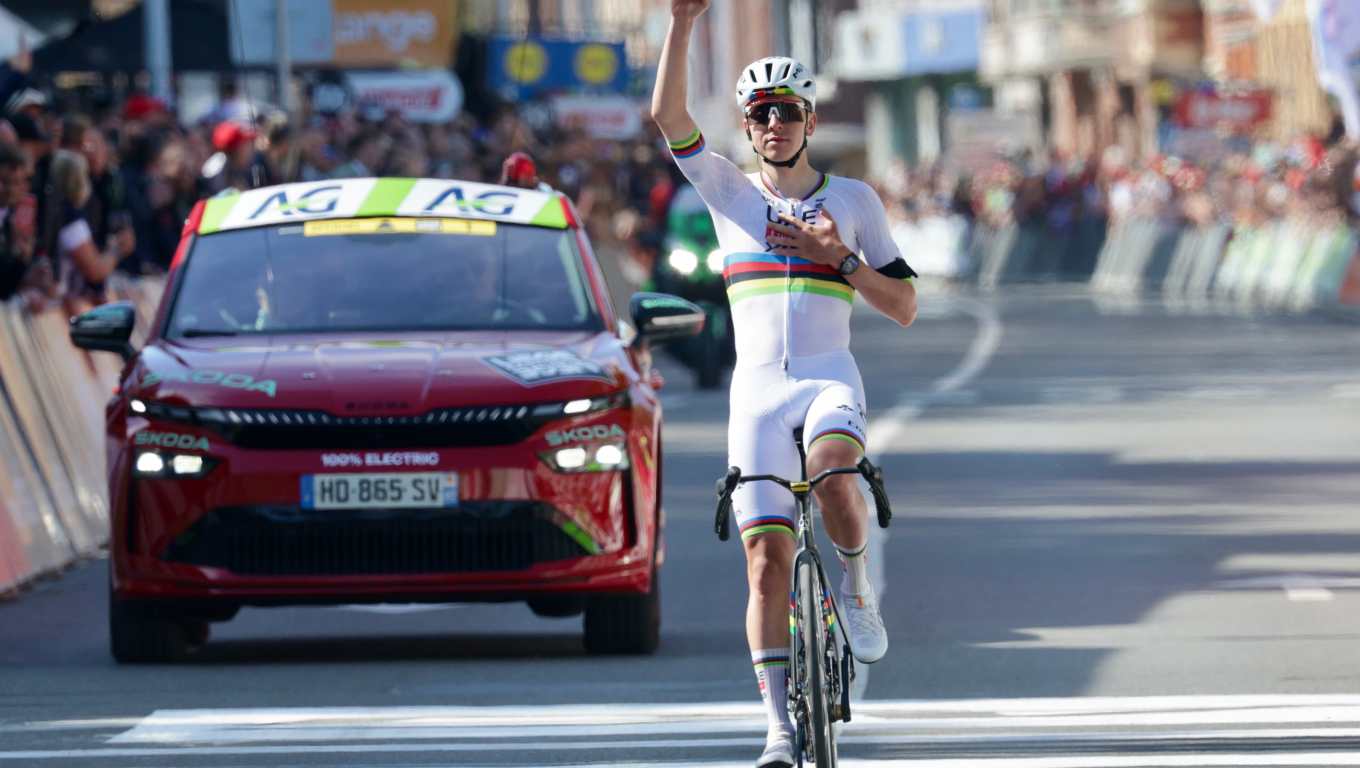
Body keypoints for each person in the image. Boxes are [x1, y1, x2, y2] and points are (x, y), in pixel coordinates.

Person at [651, 2, 918, 766]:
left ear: (809, 120)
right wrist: (682, 23)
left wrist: (842, 260)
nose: (775, 124)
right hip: (757, 397)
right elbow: (668, 117)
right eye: (762, 113)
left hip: (828, 380)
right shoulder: (728, 192)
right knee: (765, 566)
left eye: (788, 112)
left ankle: (856, 587)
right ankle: (776, 728)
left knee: (833, 475)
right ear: (747, 124)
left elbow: (904, 306)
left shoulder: (854, 202)